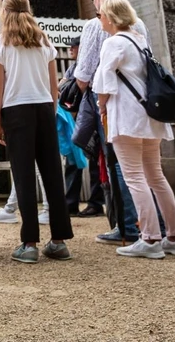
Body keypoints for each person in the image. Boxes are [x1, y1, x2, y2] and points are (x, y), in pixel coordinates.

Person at [93, 0, 175, 259]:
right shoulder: (139, 39)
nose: (99, 18)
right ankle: (174, 236)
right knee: (156, 176)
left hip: (127, 117)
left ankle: (149, 238)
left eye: (101, 15)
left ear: (111, 18)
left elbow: (103, 85)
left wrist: (101, 106)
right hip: (150, 115)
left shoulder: (113, 43)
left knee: (134, 177)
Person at [0, 0, 73, 264]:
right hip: (44, 108)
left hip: (15, 110)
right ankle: (59, 241)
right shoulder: (44, 41)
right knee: (51, 174)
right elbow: (54, 85)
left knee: (23, 176)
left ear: (5, 11)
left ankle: (29, 243)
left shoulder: (1, 44)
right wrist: (50, 112)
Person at [74, 0, 148, 244]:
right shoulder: (139, 24)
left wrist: (83, 99)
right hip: (141, 104)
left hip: (111, 106)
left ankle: (125, 224)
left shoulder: (98, 28)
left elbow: (86, 73)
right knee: (145, 169)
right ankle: (151, 225)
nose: (93, 1)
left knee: (115, 164)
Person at [62, 37, 104, 217]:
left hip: (90, 115)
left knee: (96, 160)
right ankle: (71, 203)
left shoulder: (88, 64)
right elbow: (62, 84)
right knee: (74, 160)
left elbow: (67, 86)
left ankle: (96, 203)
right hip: (78, 118)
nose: (71, 49)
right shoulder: (74, 67)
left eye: (74, 46)